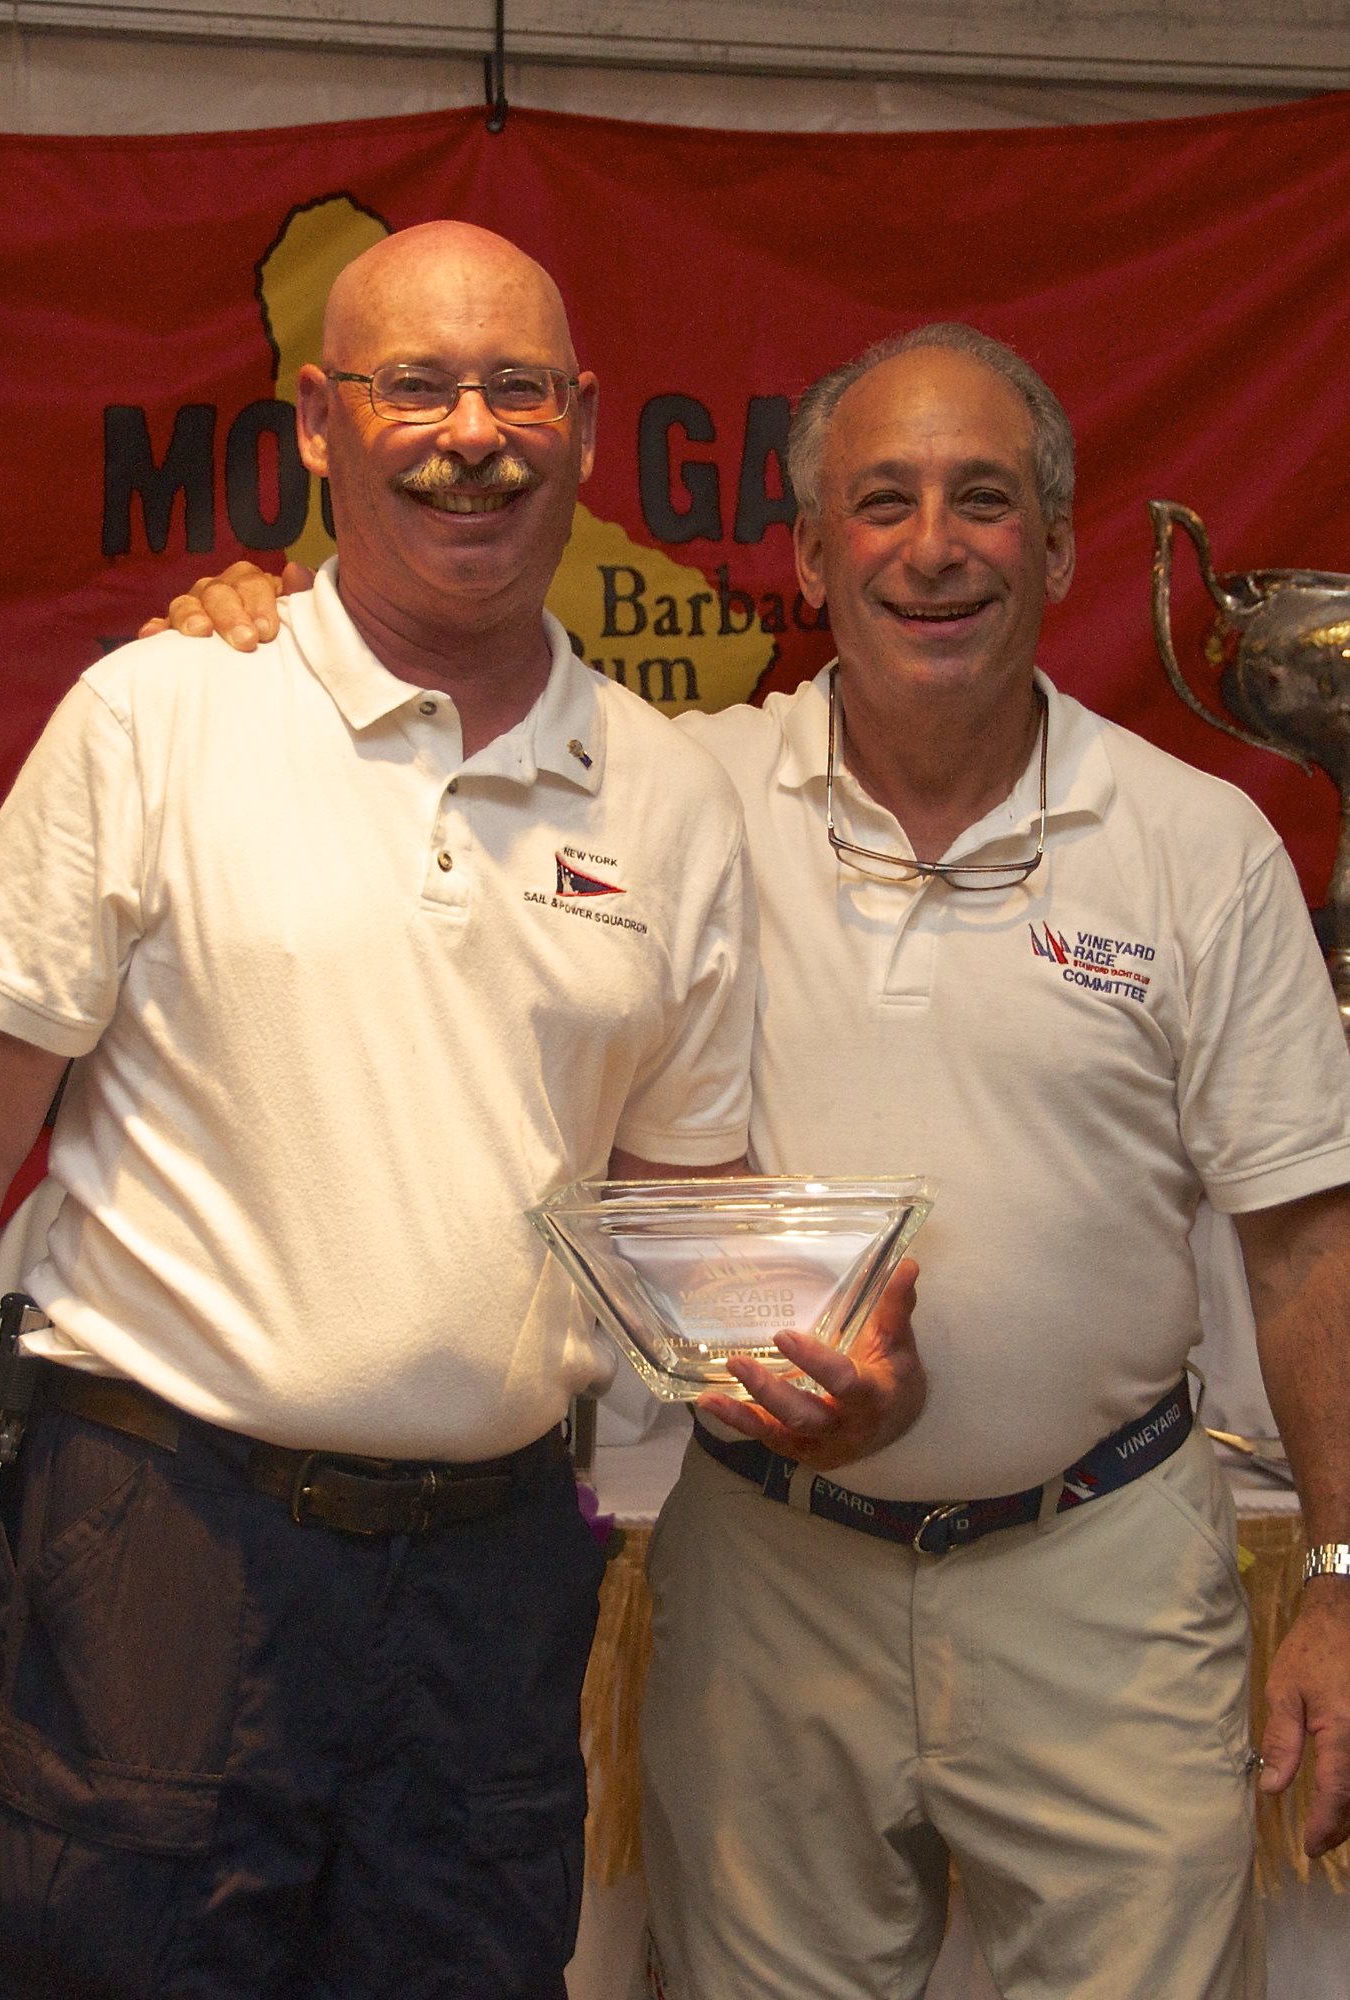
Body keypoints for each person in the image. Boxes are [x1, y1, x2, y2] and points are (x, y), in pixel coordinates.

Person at [171, 323, 1350, 2000]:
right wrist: (252, 656)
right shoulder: (670, 800)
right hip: (770, 1579)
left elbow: (1307, 1243)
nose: (933, 548)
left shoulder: (1198, 844)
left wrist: (1343, 1581)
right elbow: (408, 800)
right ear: (806, 555)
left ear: (1058, 550)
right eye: (883, 502)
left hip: (1105, 1581)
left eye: (984, 502)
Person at [0, 220, 924, 2000]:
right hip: (159, 1552)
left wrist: (824, 1371)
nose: (470, 433)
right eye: (415, 386)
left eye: (517, 389)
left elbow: (679, 1213)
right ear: (318, 424)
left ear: (585, 424)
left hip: (492, 1585)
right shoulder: (159, 713)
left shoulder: (667, 795)